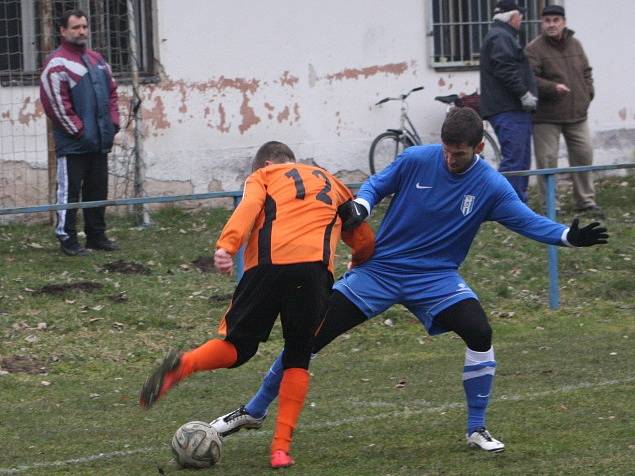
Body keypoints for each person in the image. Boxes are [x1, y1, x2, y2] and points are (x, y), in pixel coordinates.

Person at [209, 109, 609, 455]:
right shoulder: (418, 159)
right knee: (308, 337)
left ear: (479, 149)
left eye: (460, 153)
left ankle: (476, 428)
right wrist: (362, 205)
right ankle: (254, 410)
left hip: (436, 279)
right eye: (448, 150)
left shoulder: (490, 186)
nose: (451, 159)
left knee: (479, 331)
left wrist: (567, 237)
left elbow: (526, 221)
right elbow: (377, 185)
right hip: (379, 271)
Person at [139, 141, 375, 469]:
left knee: (238, 348)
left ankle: (185, 364)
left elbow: (248, 207)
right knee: (298, 355)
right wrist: (360, 259)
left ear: (264, 164)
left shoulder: (263, 176)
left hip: (266, 268)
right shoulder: (332, 182)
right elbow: (360, 234)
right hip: (313, 272)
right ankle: (280, 450)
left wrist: (227, 245)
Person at [39, 9, 120, 256]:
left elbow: (113, 93)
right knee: (69, 193)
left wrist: (113, 124)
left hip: (100, 141)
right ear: (63, 31)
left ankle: (96, 236)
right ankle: (68, 239)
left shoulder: (98, 60)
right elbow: (55, 104)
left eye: (84, 26)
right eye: (75, 27)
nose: (82, 31)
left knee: (97, 191)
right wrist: (80, 131)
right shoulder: (57, 64)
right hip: (74, 143)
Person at [526, 5, 603, 218]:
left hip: (578, 114)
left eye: (555, 20)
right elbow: (529, 78)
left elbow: (587, 72)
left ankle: (585, 202)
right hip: (546, 116)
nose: (551, 24)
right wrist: (552, 88)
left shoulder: (576, 44)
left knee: (584, 155)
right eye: (547, 20)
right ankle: (551, 205)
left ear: (564, 22)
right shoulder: (534, 48)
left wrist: (588, 93)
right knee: (547, 161)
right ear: (542, 23)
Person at [480, 0, 538, 203]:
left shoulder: (500, 35)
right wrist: (524, 94)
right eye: (520, 17)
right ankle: (505, 204)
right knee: (514, 161)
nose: (521, 21)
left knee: (519, 159)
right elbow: (505, 68)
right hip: (508, 108)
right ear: (513, 17)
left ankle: (517, 202)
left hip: (510, 108)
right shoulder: (501, 36)